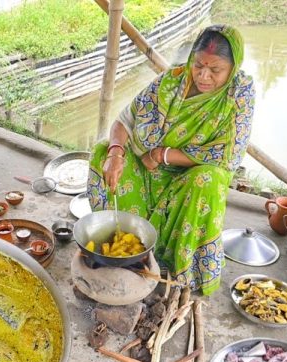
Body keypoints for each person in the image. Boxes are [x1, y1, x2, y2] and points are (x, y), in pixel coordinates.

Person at [88, 24, 255, 295]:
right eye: (198, 65)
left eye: (215, 70)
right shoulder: (172, 81)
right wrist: (116, 153)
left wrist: (163, 154)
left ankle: (177, 267)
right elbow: (125, 120)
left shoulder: (238, 95)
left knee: (209, 180)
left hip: (191, 179)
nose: (203, 76)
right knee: (101, 151)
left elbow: (228, 155)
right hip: (148, 172)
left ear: (232, 68)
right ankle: (123, 243)